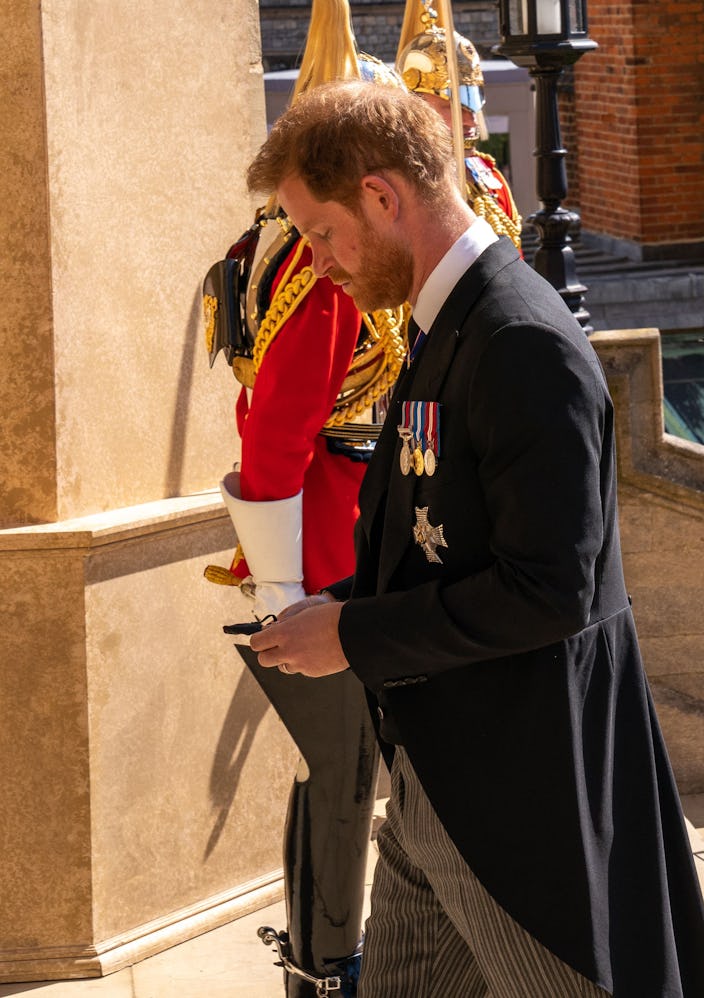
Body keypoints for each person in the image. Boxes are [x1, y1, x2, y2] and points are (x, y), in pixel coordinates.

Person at [246, 80, 704, 997]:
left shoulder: (517, 339)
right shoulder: (449, 321)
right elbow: (447, 542)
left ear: (382, 198)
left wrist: (349, 635)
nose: (317, 262)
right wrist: (342, 608)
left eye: (319, 233)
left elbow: (549, 590)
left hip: (520, 804)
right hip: (440, 781)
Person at [201, 5, 406, 995]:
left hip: (336, 530)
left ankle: (320, 960)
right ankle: (331, 968)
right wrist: (284, 587)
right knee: (346, 773)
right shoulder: (314, 263)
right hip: (325, 545)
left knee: (337, 773)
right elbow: (276, 429)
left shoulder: (286, 241)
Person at [396, 0, 523, 251]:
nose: (471, 120)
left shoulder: (488, 178)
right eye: (452, 107)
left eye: (472, 104)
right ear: (414, 108)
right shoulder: (393, 191)